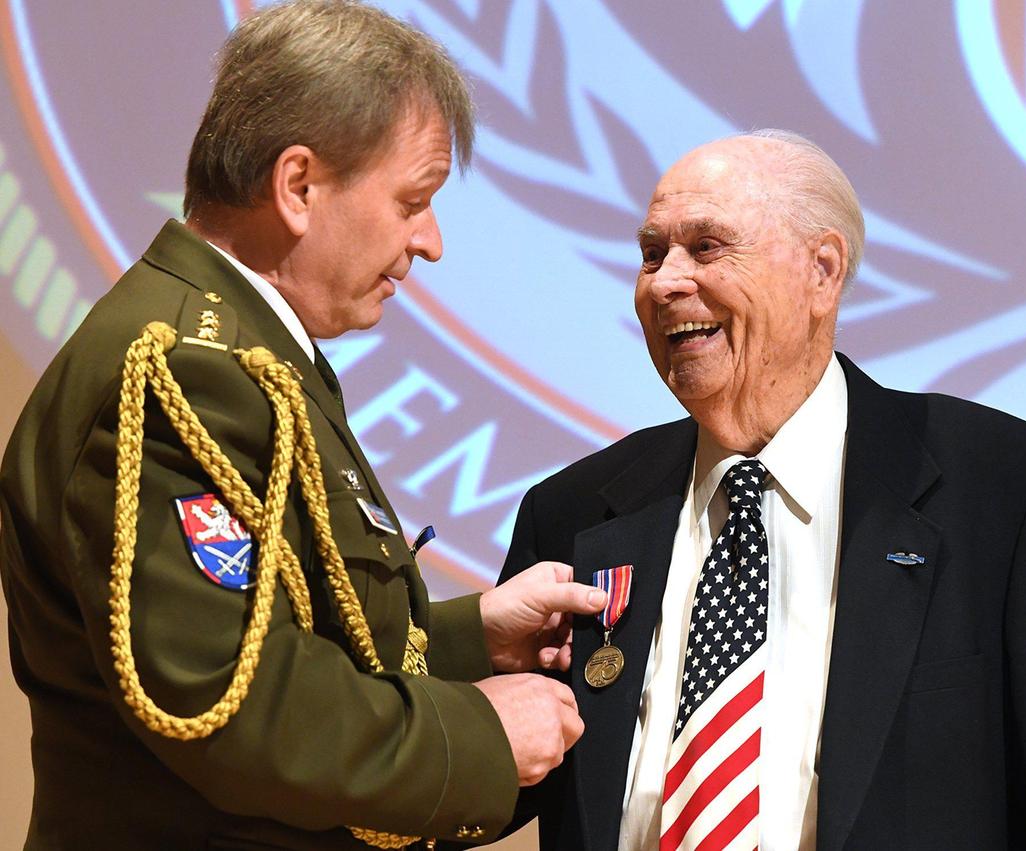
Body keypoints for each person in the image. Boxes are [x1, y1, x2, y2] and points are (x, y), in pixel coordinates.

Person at [0, 2, 603, 849]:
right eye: (413, 200)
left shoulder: (248, 354)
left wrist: (474, 638)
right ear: (298, 186)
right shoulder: (185, 372)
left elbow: (300, 628)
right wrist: (478, 733)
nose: (429, 241)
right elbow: (228, 699)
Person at [497, 130, 1026, 849]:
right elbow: (487, 794)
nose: (664, 282)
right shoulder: (573, 512)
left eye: (706, 247)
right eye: (652, 254)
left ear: (822, 272)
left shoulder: (1008, 488)